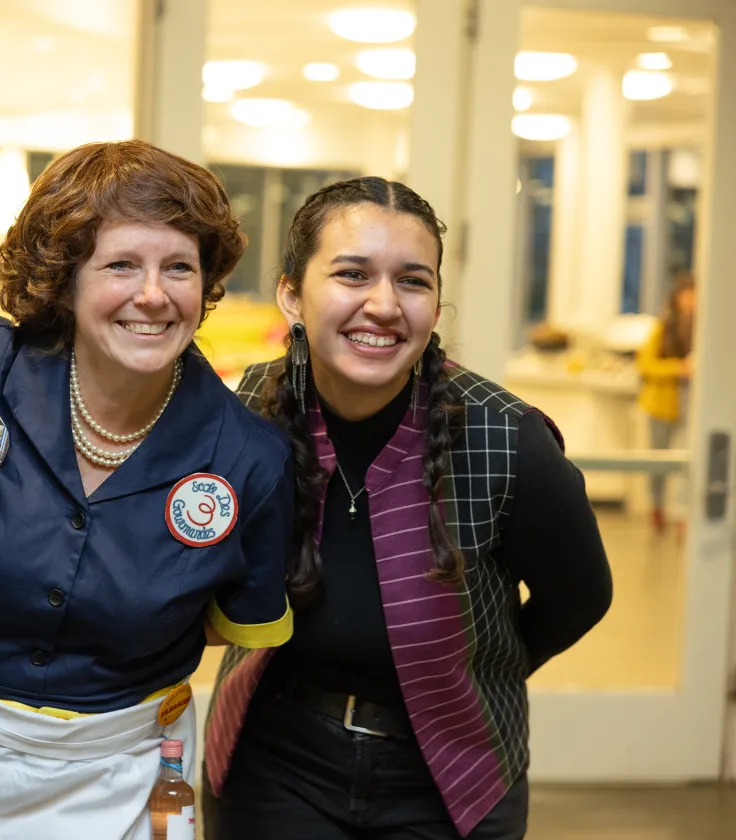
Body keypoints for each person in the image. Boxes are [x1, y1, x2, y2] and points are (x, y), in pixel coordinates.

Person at [0, 139, 297, 840]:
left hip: (121, 775)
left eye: (178, 267)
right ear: (65, 279)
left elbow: (229, 624)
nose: (153, 294)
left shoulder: (250, 459)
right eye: (121, 264)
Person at [201, 177, 614, 840]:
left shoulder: (506, 437)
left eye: (414, 282)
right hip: (275, 762)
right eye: (352, 274)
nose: (384, 305)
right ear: (291, 294)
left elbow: (581, 596)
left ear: (437, 305)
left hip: (450, 773)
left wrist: (470, 676)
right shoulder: (253, 408)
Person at [636, 273, 695, 532]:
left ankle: (683, 514)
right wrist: (678, 368)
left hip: (690, 406)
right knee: (658, 460)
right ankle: (657, 508)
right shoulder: (663, 328)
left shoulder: (704, 328)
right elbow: (646, 365)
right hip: (662, 404)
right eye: (687, 294)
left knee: (685, 461)